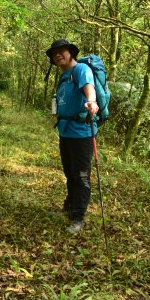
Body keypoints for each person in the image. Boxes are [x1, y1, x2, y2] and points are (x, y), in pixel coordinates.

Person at [46, 39, 99, 234]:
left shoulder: (81, 69)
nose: (58, 55)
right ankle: (68, 208)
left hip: (81, 133)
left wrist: (92, 102)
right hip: (66, 131)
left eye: (62, 51)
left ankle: (78, 217)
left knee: (81, 176)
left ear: (71, 53)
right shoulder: (64, 76)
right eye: (55, 53)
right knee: (70, 173)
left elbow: (89, 88)